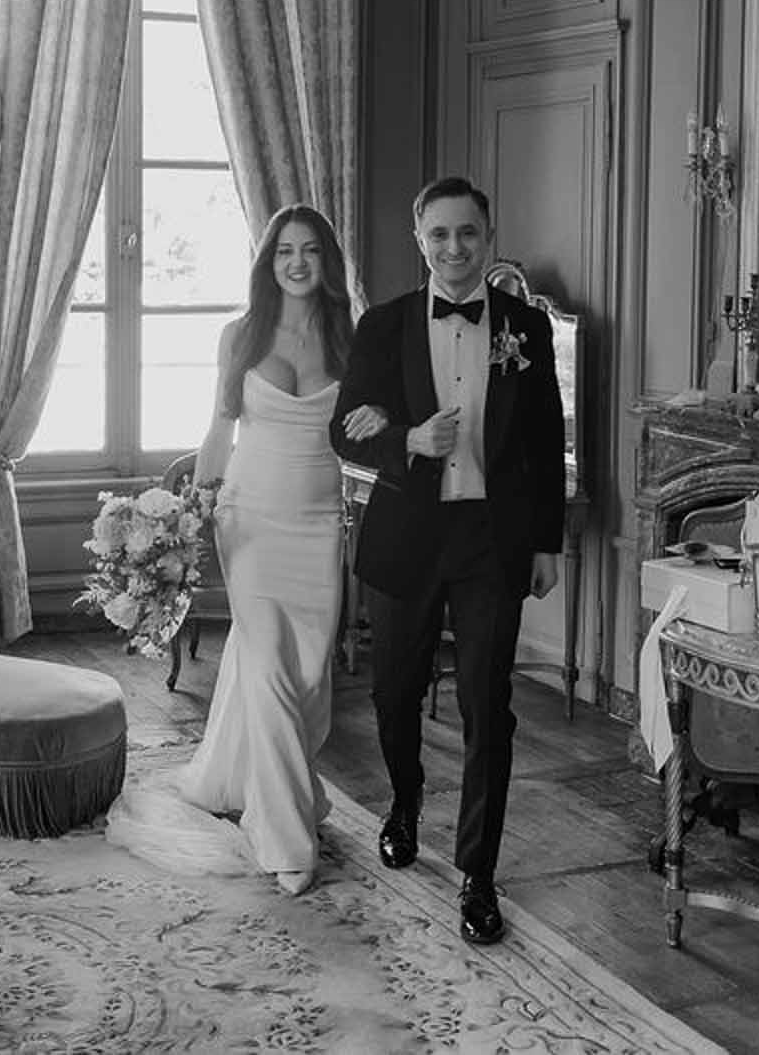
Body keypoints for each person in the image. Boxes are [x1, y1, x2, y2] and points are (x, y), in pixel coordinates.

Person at [108, 204, 384, 897]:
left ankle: (232, 777)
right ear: (268, 261)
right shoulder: (240, 334)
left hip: (318, 523)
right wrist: (193, 508)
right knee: (266, 667)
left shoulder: (352, 337)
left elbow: (377, 421)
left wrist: (384, 416)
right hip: (250, 521)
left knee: (305, 676)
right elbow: (218, 429)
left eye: (310, 250)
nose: (297, 262)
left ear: (327, 262)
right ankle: (287, 839)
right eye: (284, 250)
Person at [329, 176, 566, 946]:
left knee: (486, 706)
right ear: (419, 241)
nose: (454, 248)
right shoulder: (383, 325)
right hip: (407, 537)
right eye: (439, 234)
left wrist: (547, 543)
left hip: (493, 542)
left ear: (487, 236)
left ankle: (478, 873)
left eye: (467, 233)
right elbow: (342, 429)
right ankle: (403, 803)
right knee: (394, 695)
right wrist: (406, 438)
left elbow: (545, 441)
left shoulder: (527, 328)